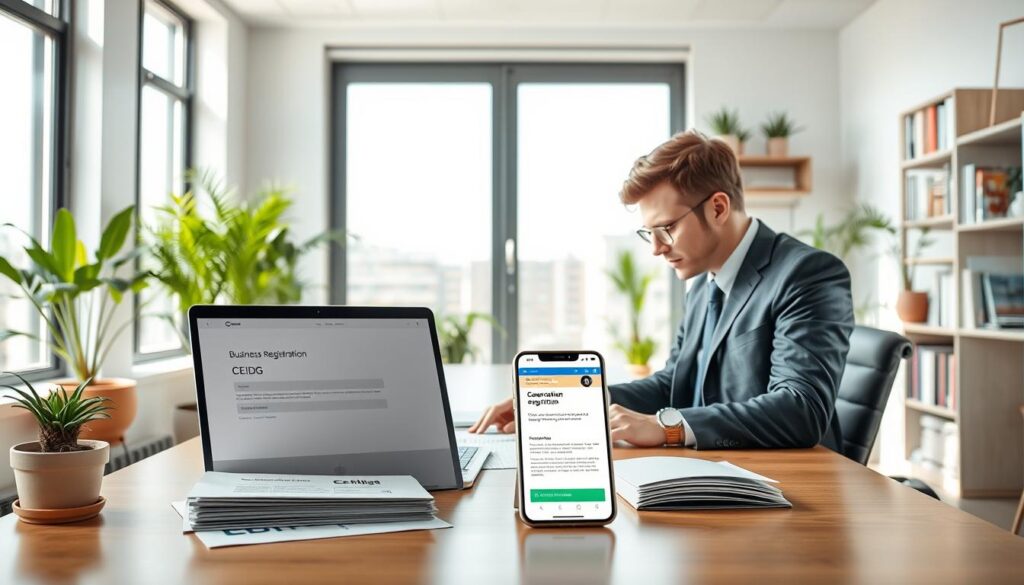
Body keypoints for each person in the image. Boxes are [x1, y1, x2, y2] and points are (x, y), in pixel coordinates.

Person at [470, 129, 854, 450]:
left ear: (718, 208)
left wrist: (667, 427)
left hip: (797, 492)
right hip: (717, 474)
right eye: (648, 233)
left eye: (666, 228)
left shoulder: (806, 274)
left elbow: (800, 408)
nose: (655, 247)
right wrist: (561, 403)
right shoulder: (705, 285)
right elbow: (675, 383)